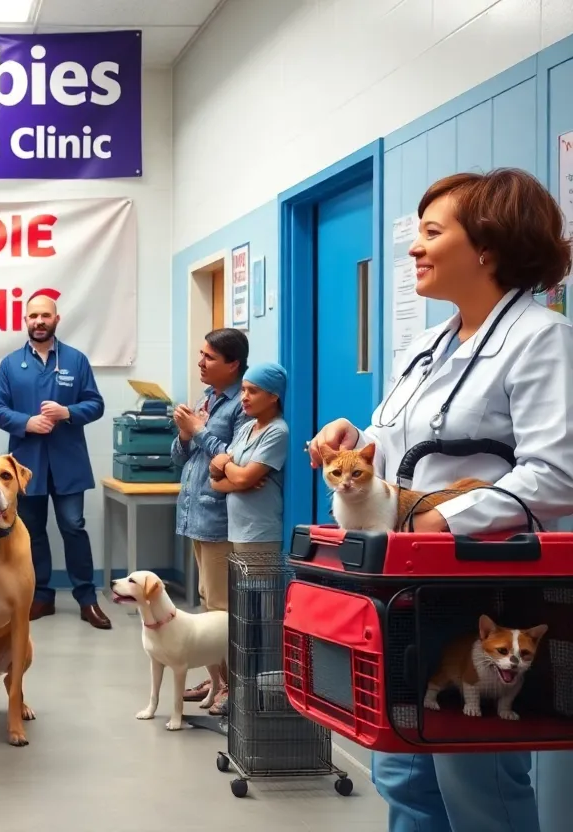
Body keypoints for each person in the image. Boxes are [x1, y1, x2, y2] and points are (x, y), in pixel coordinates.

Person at [307, 168, 573, 832]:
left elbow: (557, 474)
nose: (414, 250)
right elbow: (394, 449)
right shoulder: (423, 347)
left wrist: (435, 515)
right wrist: (353, 439)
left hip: (480, 591)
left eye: (431, 232)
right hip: (406, 590)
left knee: (474, 775)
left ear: (486, 245)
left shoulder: (541, 339)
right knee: (403, 768)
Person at [0, 294, 109, 629]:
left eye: (45, 315)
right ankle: (41, 596)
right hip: (27, 465)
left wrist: (68, 412)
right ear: (25, 321)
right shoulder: (11, 364)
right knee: (32, 532)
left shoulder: (76, 360)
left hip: (68, 462)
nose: (38, 321)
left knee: (74, 527)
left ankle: (87, 599)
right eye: (32, 316)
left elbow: (95, 404)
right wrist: (26, 423)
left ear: (57, 319)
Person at [170, 327, 249, 709]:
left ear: (233, 364)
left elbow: (232, 458)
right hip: (195, 513)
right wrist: (185, 435)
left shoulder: (241, 406)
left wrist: (198, 431)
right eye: (200, 354)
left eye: (210, 357)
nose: (200, 362)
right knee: (206, 600)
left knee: (221, 608)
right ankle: (214, 678)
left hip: (219, 518)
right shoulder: (208, 398)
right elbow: (181, 458)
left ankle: (231, 685)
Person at [206, 361, 289, 717]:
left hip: (261, 536)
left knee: (261, 619)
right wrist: (232, 472)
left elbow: (238, 479)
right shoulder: (248, 430)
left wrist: (230, 470)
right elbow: (217, 480)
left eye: (252, 391)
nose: (244, 397)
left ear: (273, 396)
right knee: (242, 616)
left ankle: (262, 697)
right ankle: (242, 692)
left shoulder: (277, 432)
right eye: (243, 390)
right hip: (237, 533)